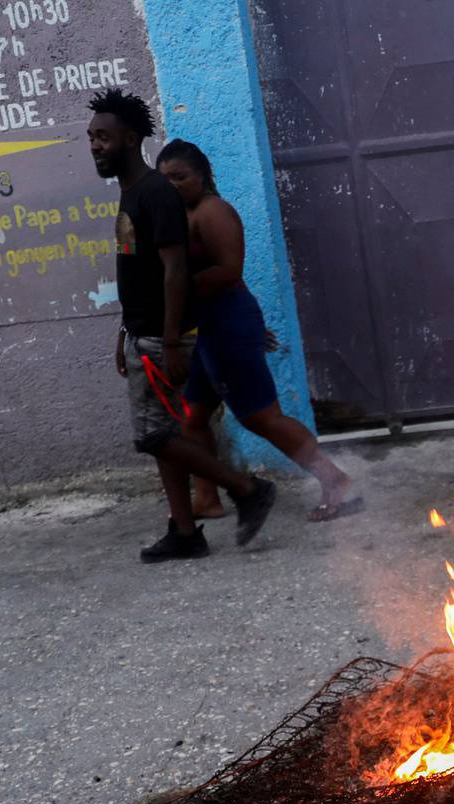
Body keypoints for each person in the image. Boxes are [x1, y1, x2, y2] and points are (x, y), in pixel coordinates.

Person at [86, 89, 276, 560]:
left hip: (163, 338)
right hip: (143, 332)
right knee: (164, 440)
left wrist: (171, 341)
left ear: (131, 140)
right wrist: (123, 333)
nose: (95, 146)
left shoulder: (155, 194)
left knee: (153, 436)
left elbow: (175, 272)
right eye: (91, 138)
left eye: (103, 138)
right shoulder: (132, 194)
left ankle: (247, 489)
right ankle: (186, 531)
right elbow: (141, 274)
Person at [153, 139, 361, 522]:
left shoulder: (213, 212)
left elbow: (229, 273)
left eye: (180, 177)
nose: (173, 185)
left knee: (261, 417)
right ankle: (207, 499)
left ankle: (337, 481)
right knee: (193, 418)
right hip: (207, 330)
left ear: (203, 176)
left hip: (226, 325)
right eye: (165, 179)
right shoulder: (181, 214)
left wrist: (170, 287)